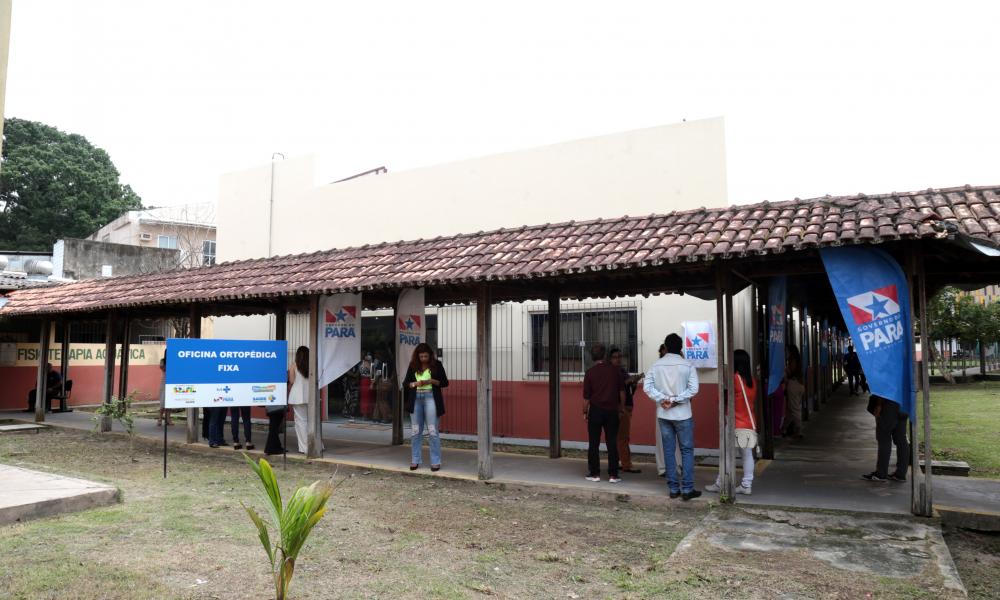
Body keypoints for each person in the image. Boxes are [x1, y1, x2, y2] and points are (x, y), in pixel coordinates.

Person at [644, 333, 701, 500]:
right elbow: (693, 390)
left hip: (664, 414)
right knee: (687, 450)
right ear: (681, 347)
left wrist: (663, 399)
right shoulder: (688, 365)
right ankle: (688, 489)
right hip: (683, 414)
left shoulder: (656, 365)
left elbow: (647, 387)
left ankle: (673, 489)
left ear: (666, 347)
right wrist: (676, 400)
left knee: (668, 451)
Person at [706, 349, 757, 495]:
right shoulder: (752, 381)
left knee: (727, 454)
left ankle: (720, 482)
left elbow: (721, 398)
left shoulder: (733, 379)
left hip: (734, 422)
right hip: (748, 422)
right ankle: (747, 485)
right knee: (747, 455)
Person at [403, 343, 449, 471]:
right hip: (416, 399)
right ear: (417, 356)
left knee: (433, 431)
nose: (423, 358)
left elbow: (445, 382)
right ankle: (415, 460)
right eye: (421, 356)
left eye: (426, 356)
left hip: (431, 398)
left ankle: (435, 461)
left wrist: (431, 381)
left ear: (430, 355)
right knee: (416, 431)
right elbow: (406, 383)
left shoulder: (437, 365)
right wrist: (415, 384)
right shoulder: (413, 366)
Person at [582, 343, 624, 483]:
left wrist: (584, 412)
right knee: (612, 442)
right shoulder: (615, 371)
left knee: (593, 443)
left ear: (593, 356)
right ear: (605, 355)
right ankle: (613, 475)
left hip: (595, 411)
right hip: (612, 411)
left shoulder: (589, 373)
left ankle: (594, 474)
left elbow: (586, 398)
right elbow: (622, 392)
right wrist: (621, 408)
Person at [610, 347, 643, 474]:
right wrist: (627, 382)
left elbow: (629, 390)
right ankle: (626, 465)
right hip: (620, 407)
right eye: (615, 357)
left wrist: (633, 383)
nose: (618, 359)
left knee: (620, 436)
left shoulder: (622, 371)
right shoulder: (612, 373)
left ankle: (620, 461)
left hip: (627, 405)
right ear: (610, 359)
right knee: (623, 437)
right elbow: (616, 389)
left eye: (620, 356)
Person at [863, 395, 910, 482]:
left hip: (888, 404)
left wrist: (879, 404)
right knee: (901, 439)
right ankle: (900, 474)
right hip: (903, 403)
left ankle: (881, 473)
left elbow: (883, 389)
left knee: (884, 438)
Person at [288, 346, 322, 454]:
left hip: (297, 397)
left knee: (301, 423)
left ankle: (304, 448)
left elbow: (292, 381)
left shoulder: (293, 365)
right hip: (311, 395)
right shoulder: (313, 365)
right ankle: (318, 445)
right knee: (313, 421)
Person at [783, 344, 804, 439]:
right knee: (791, 409)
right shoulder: (799, 359)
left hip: (793, 384)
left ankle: (799, 431)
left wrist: (786, 371)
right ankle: (784, 428)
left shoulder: (793, 359)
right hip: (800, 384)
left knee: (794, 409)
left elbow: (791, 371)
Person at [156, 357, 174, 427]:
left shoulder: (174, 360)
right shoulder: (163, 361)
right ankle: (159, 419)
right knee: (163, 402)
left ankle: (168, 419)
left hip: (172, 382)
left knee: (170, 402)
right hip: (165, 383)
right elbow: (162, 368)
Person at [359, 352, 375, 419]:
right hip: (366, 381)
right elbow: (373, 375)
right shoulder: (370, 365)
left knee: (368, 398)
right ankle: (366, 414)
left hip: (365, 381)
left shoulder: (362, 365)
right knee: (366, 399)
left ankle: (367, 414)